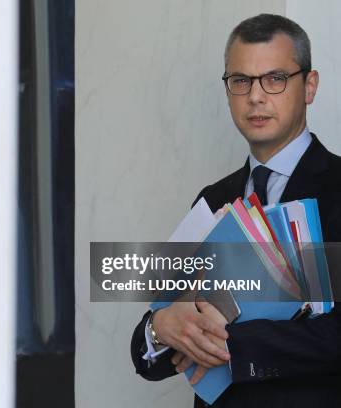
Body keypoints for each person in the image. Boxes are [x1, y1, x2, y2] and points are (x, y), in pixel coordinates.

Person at [130, 14, 341, 408]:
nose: (256, 97)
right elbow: (149, 344)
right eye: (240, 81)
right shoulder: (211, 199)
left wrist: (223, 343)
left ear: (309, 86)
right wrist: (160, 329)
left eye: (275, 78)